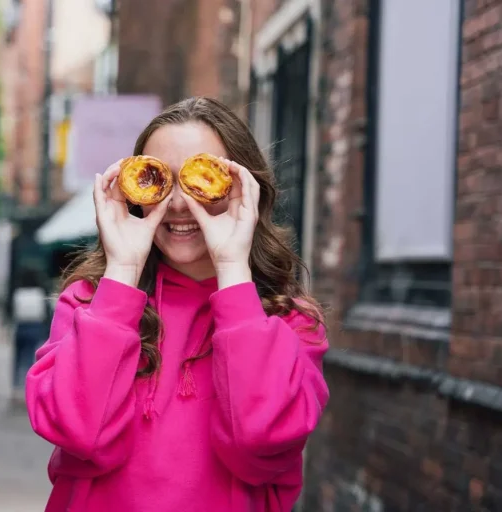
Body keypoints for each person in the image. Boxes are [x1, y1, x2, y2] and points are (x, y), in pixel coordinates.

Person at [26, 97, 329, 512]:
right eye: (158, 180)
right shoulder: (90, 301)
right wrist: (123, 272)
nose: (180, 204)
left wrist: (232, 270)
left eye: (203, 180)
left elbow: (259, 443)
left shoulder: (290, 320)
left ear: (245, 189)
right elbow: (78, 433)